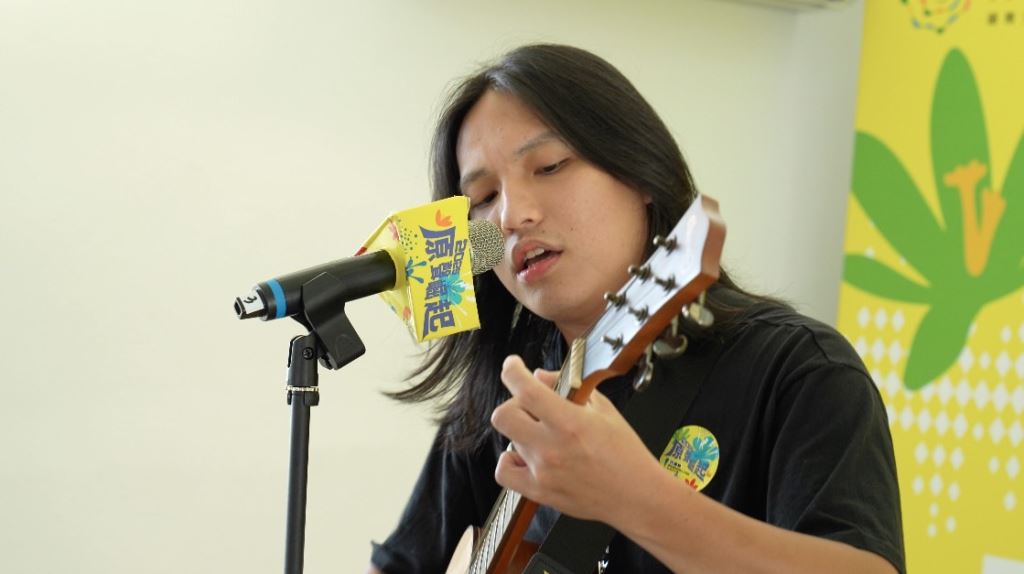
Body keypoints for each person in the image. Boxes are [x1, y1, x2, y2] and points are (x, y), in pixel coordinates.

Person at [367, 44, 904, 573]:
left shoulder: (799, 371)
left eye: (549, 166)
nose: (511, 216)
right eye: (484, 198)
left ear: (641, 173)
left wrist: (635, 498)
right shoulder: (507, 391)